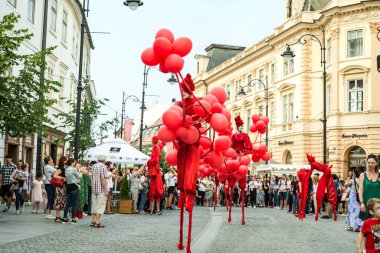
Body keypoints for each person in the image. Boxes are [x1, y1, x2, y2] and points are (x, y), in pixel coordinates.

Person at [359, 154, 380, 221]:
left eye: (372, 163)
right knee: (366, 227)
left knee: (376, 228)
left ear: (376, 163)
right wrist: (361, 203)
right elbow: (360, 190)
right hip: (366, 205)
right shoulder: (363, 175)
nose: (370, 164)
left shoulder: (379, 175)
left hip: (378, 206)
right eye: (369, 162)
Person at [90, 155, 108, 228]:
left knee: (94, 205)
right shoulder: (103, 167)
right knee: (100, 205)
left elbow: (91, 177)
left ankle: (92, 221)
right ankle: (97, 222)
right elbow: (103, 179)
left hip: (94, 189)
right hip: (100, 189)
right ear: (104, 160)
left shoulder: (94, 166)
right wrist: (105, 189)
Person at [63, 158, 80, 224]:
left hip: (68, 186)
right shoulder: (74, 169)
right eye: (74, 162)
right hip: (74, 187)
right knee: (74, 204)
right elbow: (79, 176)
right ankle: (73, 219)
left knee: (67, 204)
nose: (75, 163)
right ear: (72, 163)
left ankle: (65, 218)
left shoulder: (66, 169)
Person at [52, 156, 68, 223]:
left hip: (63, 186)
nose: (67, 161)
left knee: (61, 201)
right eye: (66, 160)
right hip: (59, 187)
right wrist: (62, 178)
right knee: (59, 200)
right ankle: (57, 217)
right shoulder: (60, 168)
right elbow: (54, 175)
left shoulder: (65, 168)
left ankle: (58, 216)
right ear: (64, 161)